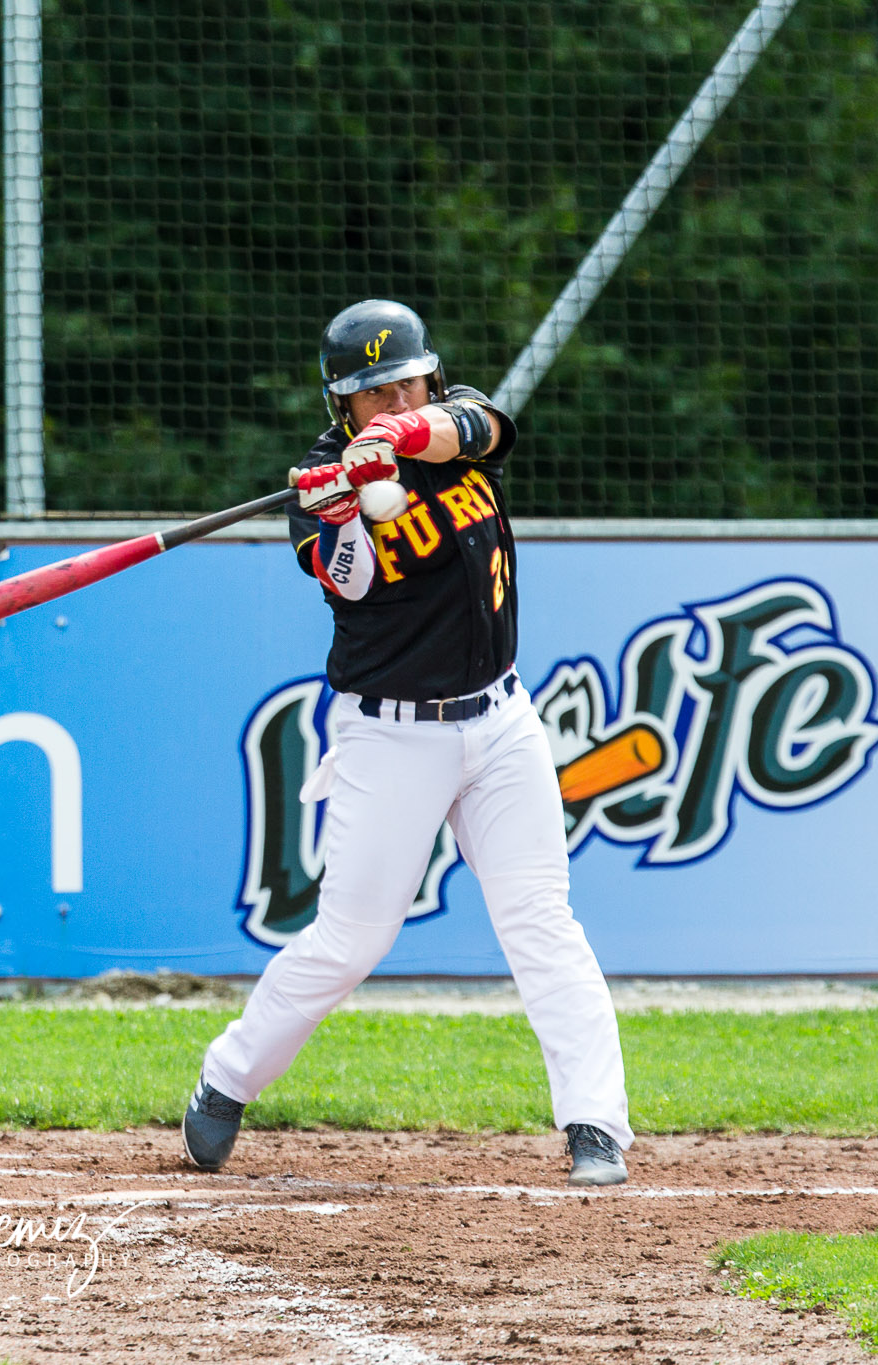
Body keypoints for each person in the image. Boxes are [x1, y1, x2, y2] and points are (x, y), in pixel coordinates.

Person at [182, 300, 631, 1187]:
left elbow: (488, 424)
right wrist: (343, 511)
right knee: (352, 938)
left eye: (405, 382)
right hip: (392, 736)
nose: (391, 400)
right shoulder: (318, 478)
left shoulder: (454, 424)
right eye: (370, 393)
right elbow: (349, 585)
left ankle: (596, 1125)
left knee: (541, 919)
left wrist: (410, 432)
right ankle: (227, 1079)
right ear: (339, 404)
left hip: (501, 722)